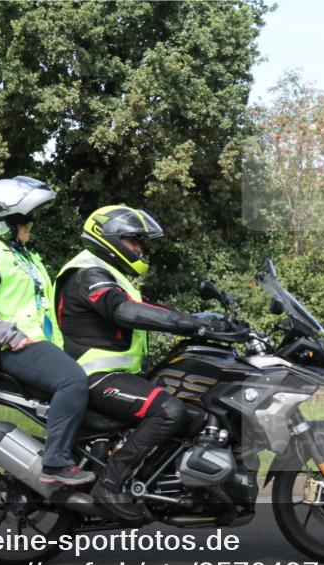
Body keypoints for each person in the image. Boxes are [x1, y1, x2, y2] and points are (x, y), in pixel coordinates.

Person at [54, 205, 210, 519]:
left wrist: (199, 318)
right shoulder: (88, 273)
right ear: (109, 238)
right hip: (95, 377)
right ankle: (110, 484)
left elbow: (143, 307)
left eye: (141, 242)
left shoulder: (110, 275)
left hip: (115, 374)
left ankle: (162, 485)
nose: (140, 248)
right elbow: (124, 311)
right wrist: (187, 324)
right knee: (169, 410)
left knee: (195, 414)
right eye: (133, 240)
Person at [0, 175, 93, 486]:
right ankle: (55, 463)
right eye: (26, 218)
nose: (31, 224)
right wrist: (11, 336)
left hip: (40, 345)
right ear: (6, 220)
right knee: (72, 381)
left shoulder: (24, 256)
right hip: (12, 349)